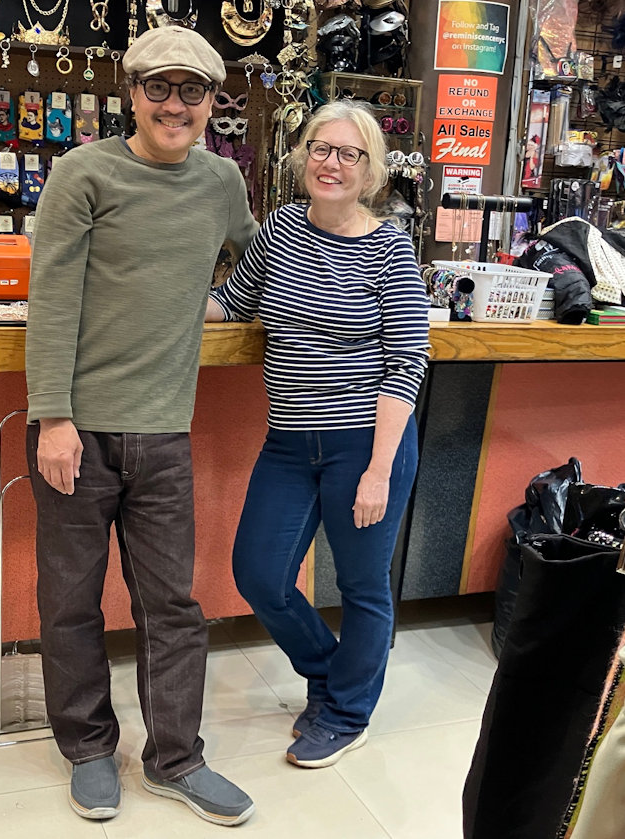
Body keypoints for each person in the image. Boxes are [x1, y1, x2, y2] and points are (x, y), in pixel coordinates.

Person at [25, 26, 258, 826]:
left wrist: (222, 302)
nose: (174, 105)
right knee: (70, 602)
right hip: (78, 431)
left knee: (171, 606)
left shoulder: (222, 180)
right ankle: (89, 748)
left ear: (212, 103)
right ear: (131, 93)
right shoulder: (82, 171)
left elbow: (259, 257)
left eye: (192, 91)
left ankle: (176, 757)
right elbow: (52, 298)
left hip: (164, 431)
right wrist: (53, 417)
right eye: (159, 87)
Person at [206, 99, 429, 768]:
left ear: (371, 170)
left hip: (365, 443)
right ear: (303, 156)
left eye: (348, 153)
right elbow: (232, 302)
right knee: (260, 574)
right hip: (288, 443)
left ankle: (347, 712)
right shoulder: (279, 229)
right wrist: (158, 302)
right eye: (321, 149)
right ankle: (328, 670)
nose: (331, 163)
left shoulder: (390, 247)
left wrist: (378, 470)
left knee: (362, 586)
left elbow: (406, 361)